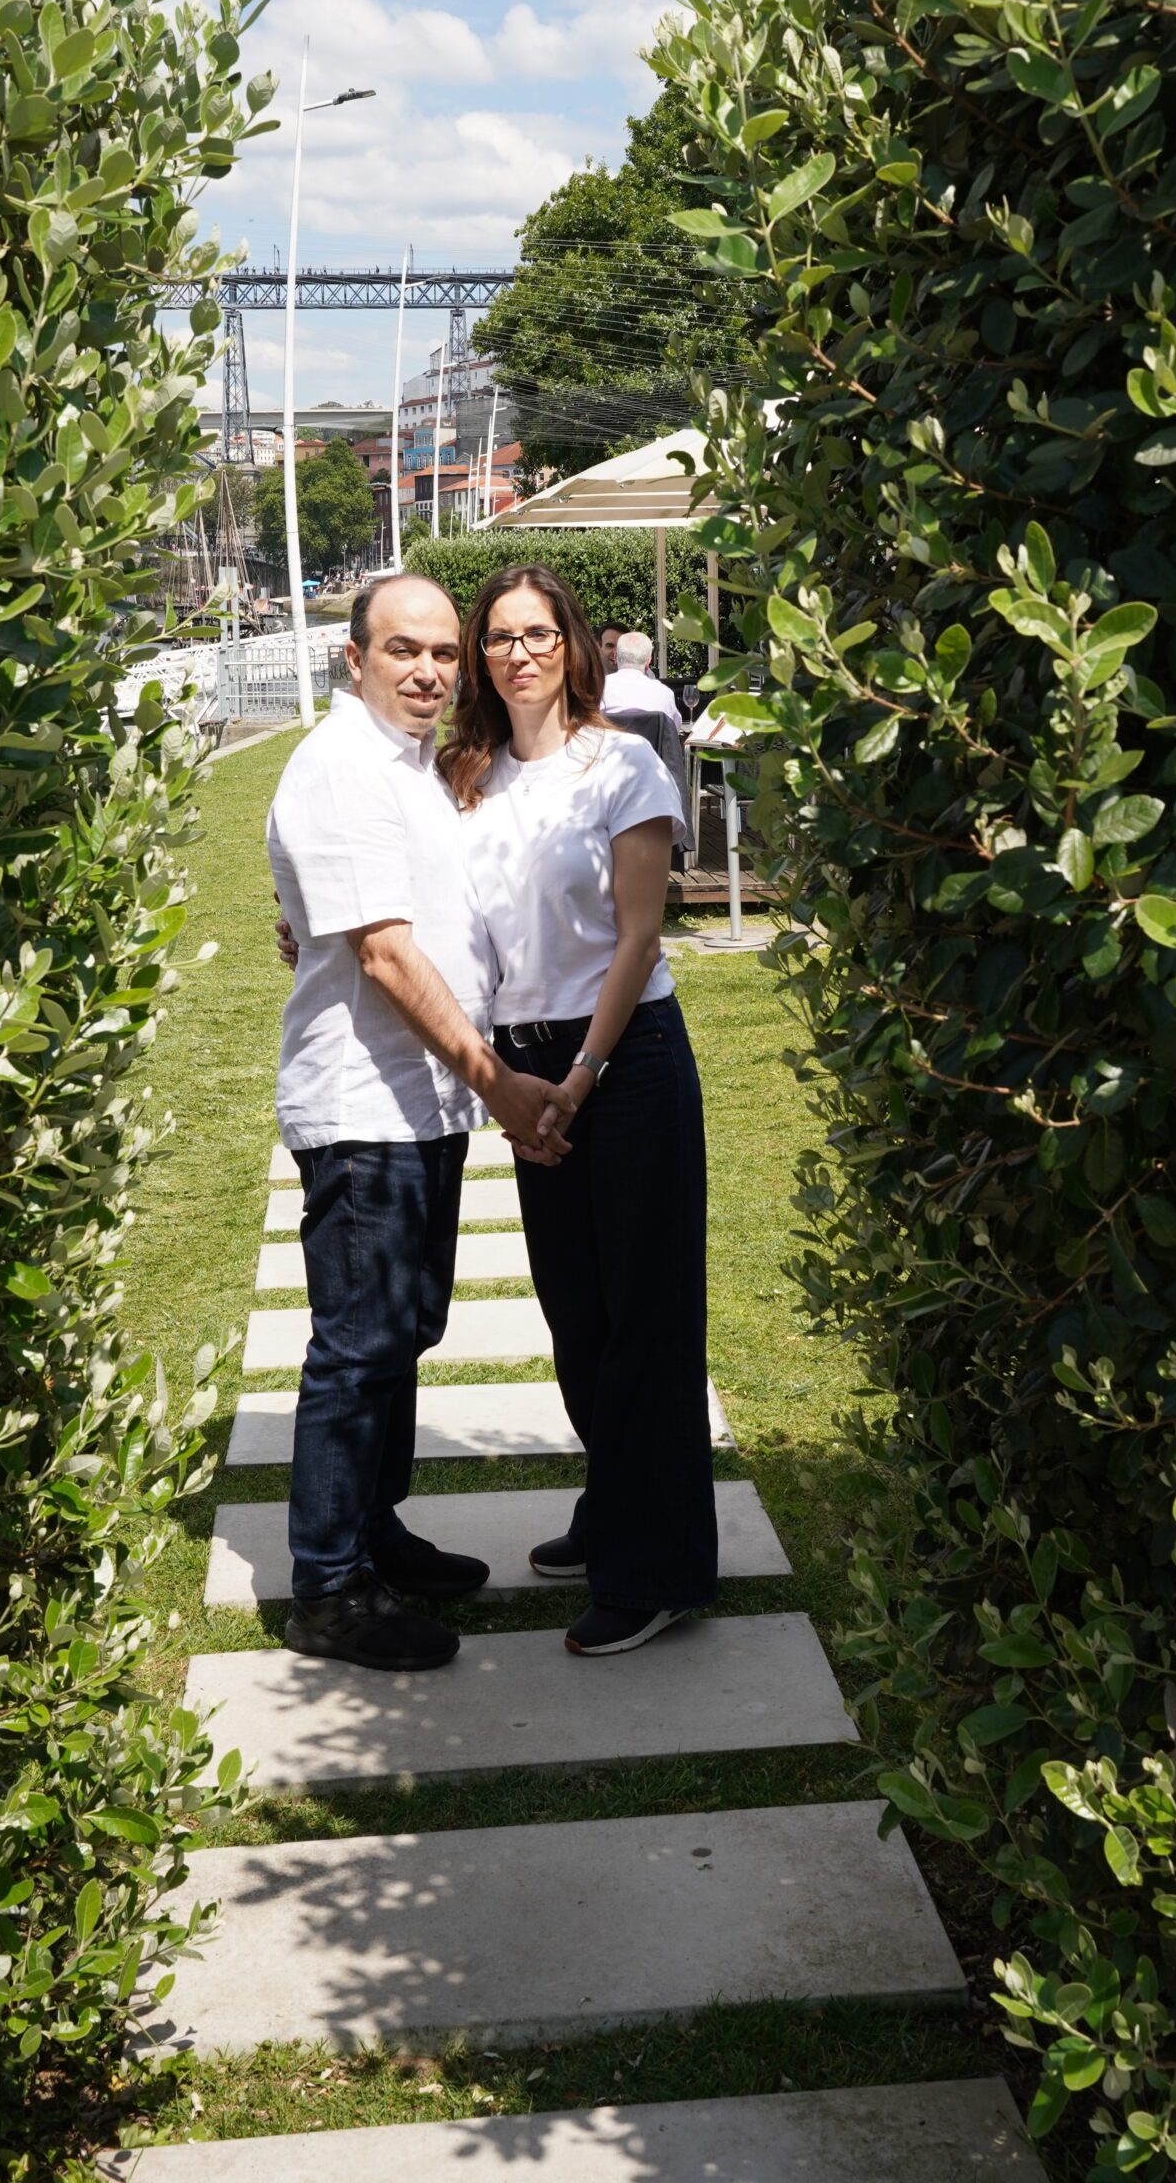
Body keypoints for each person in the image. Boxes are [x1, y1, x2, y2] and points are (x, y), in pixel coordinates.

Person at [266, 574, 571, 1674]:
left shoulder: (406, 765)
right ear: (354, 658)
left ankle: (372, 1530)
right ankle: (328, 1587)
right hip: (366, 1104)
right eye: (404, 650)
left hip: (415, 1101)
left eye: (446, 652)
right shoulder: (342, 767)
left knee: (401, 1331)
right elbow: (385, 954)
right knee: (358, 1349)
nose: (431, 671)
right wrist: (497, 1082)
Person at [440, 565, 720, 1655]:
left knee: (649, 1314)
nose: (518, 653)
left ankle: (658, 1571)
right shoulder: (467, 778)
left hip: (626, 1056)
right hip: (526, 1067)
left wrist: (584, 1075)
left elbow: (640, 936)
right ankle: (617, 1506)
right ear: (481, 655)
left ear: (573, 647)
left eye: (538, 633)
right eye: (499, 636)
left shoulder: (623, 764)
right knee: (577, 1311)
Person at [600, 629, 682, 726]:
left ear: (616, 656)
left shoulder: (598, 689)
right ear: (648, 662)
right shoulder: (664, 693)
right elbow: (673, 729)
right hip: (651, 737)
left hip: (608, 736)